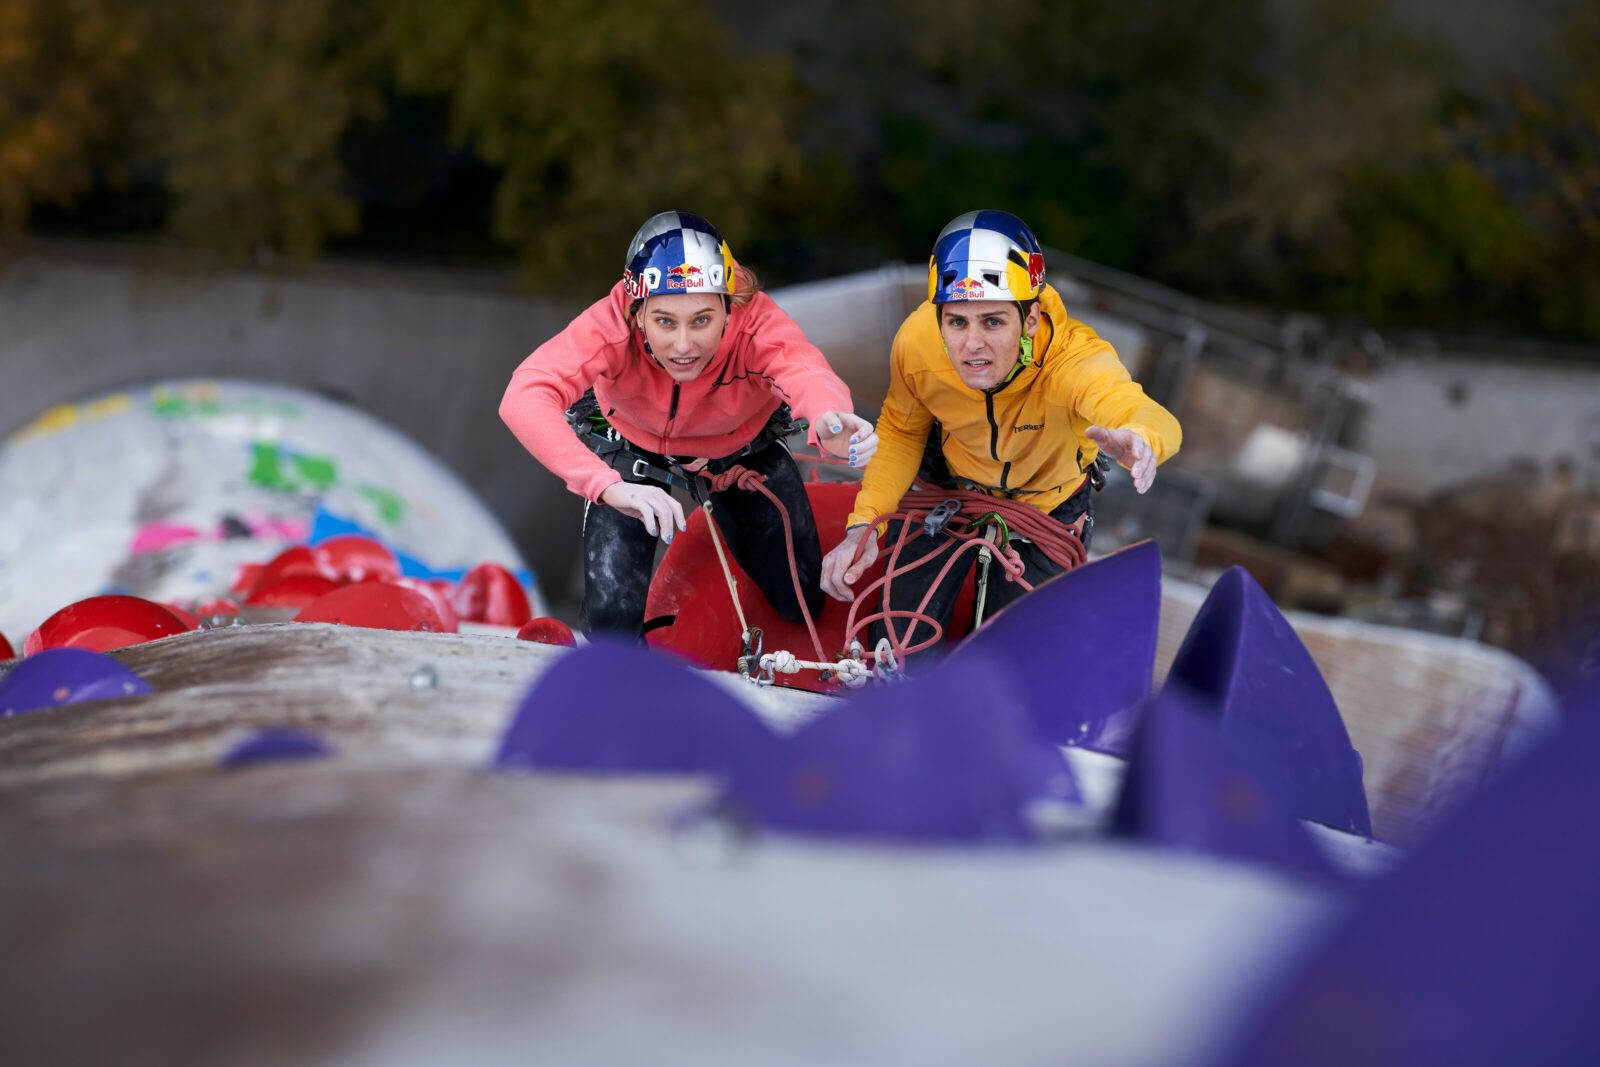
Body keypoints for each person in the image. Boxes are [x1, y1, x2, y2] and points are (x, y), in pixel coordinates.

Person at [819, 209, 1180, 665]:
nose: (972, 345)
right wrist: (862, 527)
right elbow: (902, 431)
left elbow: (1138, 407)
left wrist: (1143, 436)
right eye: (957, 322)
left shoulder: (1073, 361)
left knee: (1013, 673)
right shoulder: (917, 343)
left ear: (1029, 320)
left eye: (992, 322)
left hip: (1045, 507)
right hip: (948, 488)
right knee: (894, 649)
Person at [501, 210, 878, 640]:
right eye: (665, 321)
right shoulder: (610, 323)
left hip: (741, 450)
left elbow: (804, 370)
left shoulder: (756, 322)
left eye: (701, 320)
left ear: (728, 309)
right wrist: (605, 485)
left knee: (801, 599)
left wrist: (830, 416)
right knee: (611, 622)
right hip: (630, 443)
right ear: (636, 312)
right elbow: (524, 394)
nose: (683, 346)